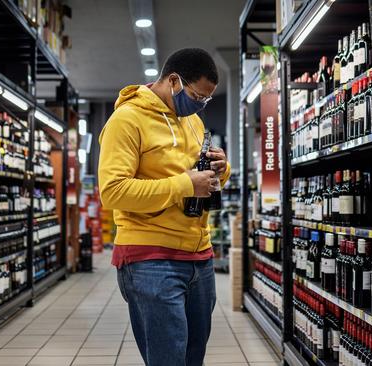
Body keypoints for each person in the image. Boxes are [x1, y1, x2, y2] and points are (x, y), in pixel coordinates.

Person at [98, 48, 230, 366]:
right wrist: (184, 184)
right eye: (197, 95)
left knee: (193, 355)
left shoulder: (194, 123)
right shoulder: (127, 120)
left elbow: (200, 180)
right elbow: (113, 192)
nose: (200, 104)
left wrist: (220, 170)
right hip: (150, 258)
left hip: (199, 255)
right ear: (173, 81)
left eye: (207, 100)